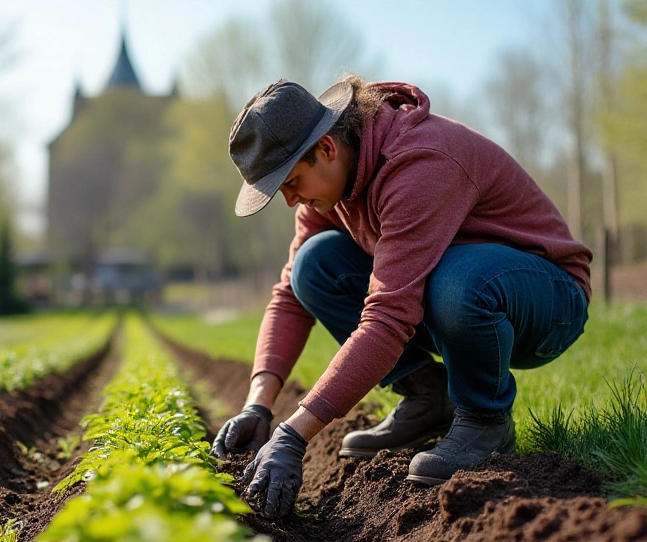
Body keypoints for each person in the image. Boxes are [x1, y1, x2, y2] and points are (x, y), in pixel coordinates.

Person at [212, 76, 592, 519]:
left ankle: (485, 419)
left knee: (456, 280)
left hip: (546, 298)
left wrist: (295, 433)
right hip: (462, 291)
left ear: (328, 149)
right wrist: (258, 403)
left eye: (292, 182)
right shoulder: (329, 193)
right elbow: (291, 297)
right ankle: (427, 397)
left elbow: (388, 317)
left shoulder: (420, 162)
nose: (291, 200)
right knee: (312, 265)